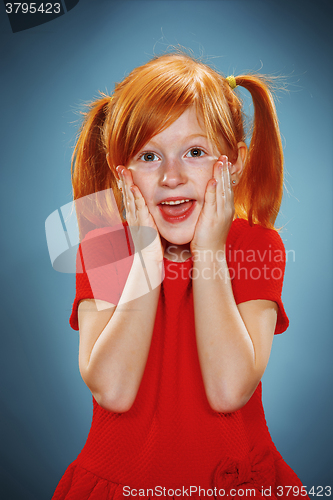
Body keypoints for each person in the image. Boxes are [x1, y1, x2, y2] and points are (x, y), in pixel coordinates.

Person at [52, 51, 309, 499]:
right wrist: (148, 259)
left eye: (194, 152)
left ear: (234, 163)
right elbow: (112, 389)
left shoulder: (255, 246)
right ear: (122, 174)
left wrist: (208, 252)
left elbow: (229, 389)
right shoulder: (107, 246)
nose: (172, 176)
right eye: (149, 156)